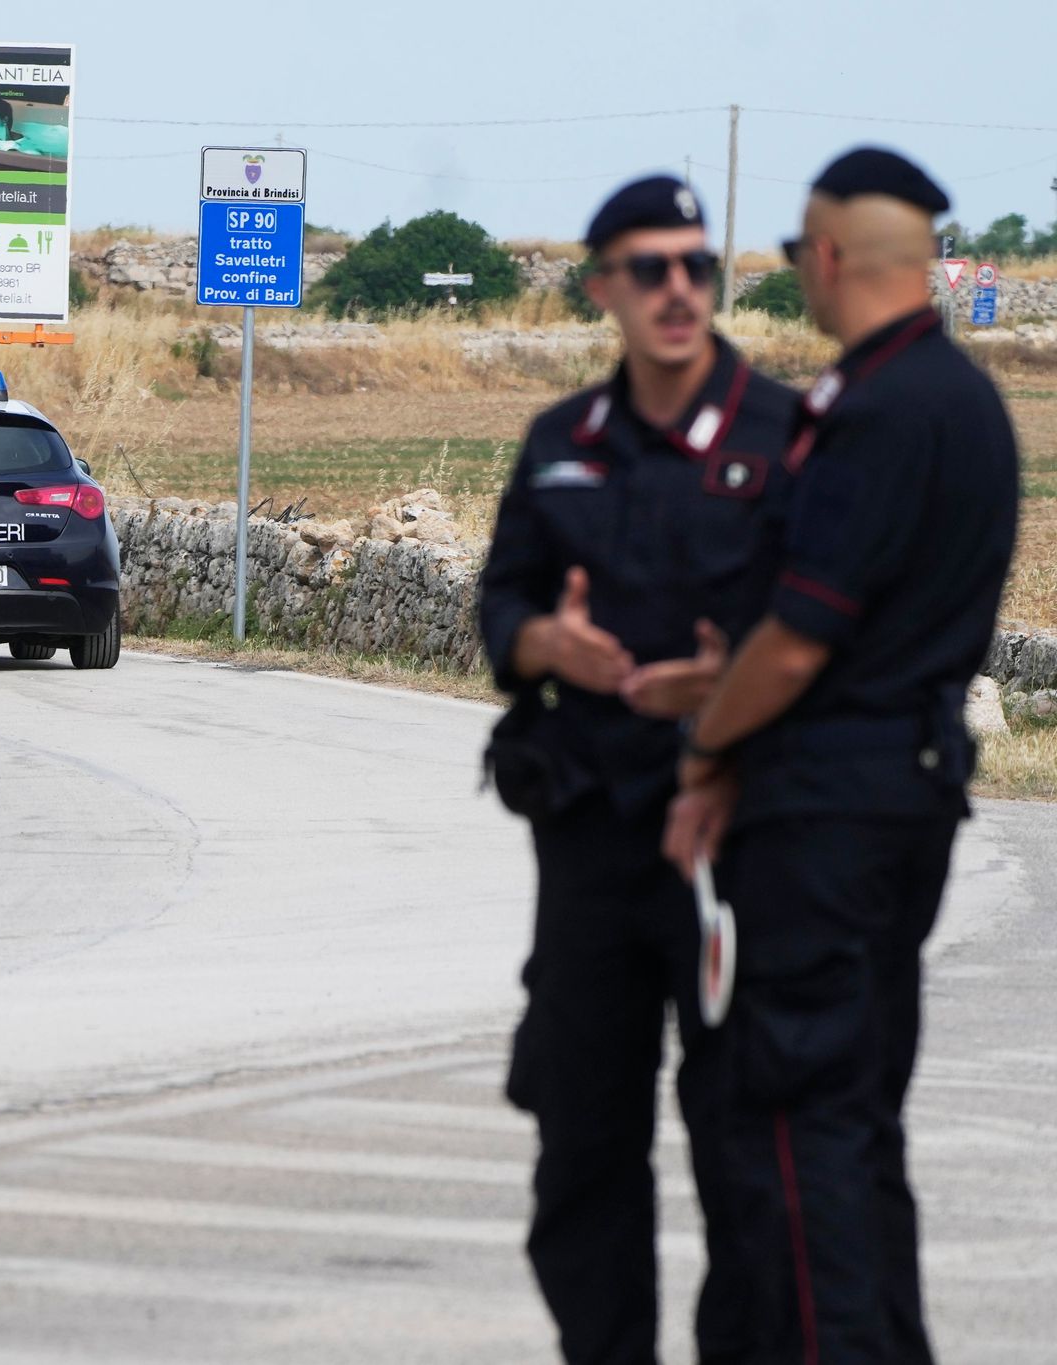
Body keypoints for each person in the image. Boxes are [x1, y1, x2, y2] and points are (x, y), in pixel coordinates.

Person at [664, 148, 1019, 1364]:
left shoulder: (875, 411)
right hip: (895, 797)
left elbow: (803, 637)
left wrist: (706, 753)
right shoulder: (959, 400)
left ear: (828, 259)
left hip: (826, 818)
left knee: (795, 1132)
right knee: (853, 1130)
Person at [478, 175, 802, 1365]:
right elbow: (499, 604)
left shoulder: (784, 435)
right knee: (581, 1150)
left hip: (739, 842)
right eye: (649, 268)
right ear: (602, 286)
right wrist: (543, 644)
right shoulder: (559, 445)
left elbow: (830, 623)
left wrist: (728, 690)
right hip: (593, 840)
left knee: (747, 1158)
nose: (678, 289)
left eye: (695, 265)